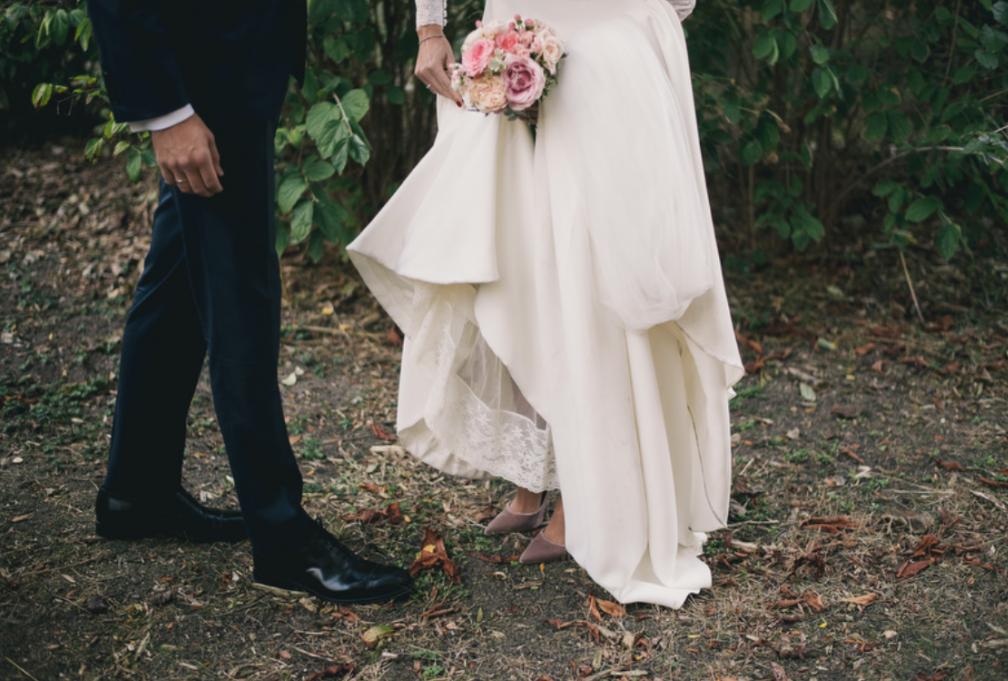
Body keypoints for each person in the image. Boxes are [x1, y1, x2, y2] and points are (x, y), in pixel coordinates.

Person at [348, 0, 744, 608]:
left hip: (600, 47)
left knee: (587, 271)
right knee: (517, 264)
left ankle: (594, 495)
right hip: (514, 27)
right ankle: (536, 477)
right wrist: (430, 26)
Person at [85, 0, 412, 605]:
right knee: (242, 300)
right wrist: (166, 111)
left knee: (180, 284)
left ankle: (138, 489)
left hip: (235, 59)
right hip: (200, 78)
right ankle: (281, 533)